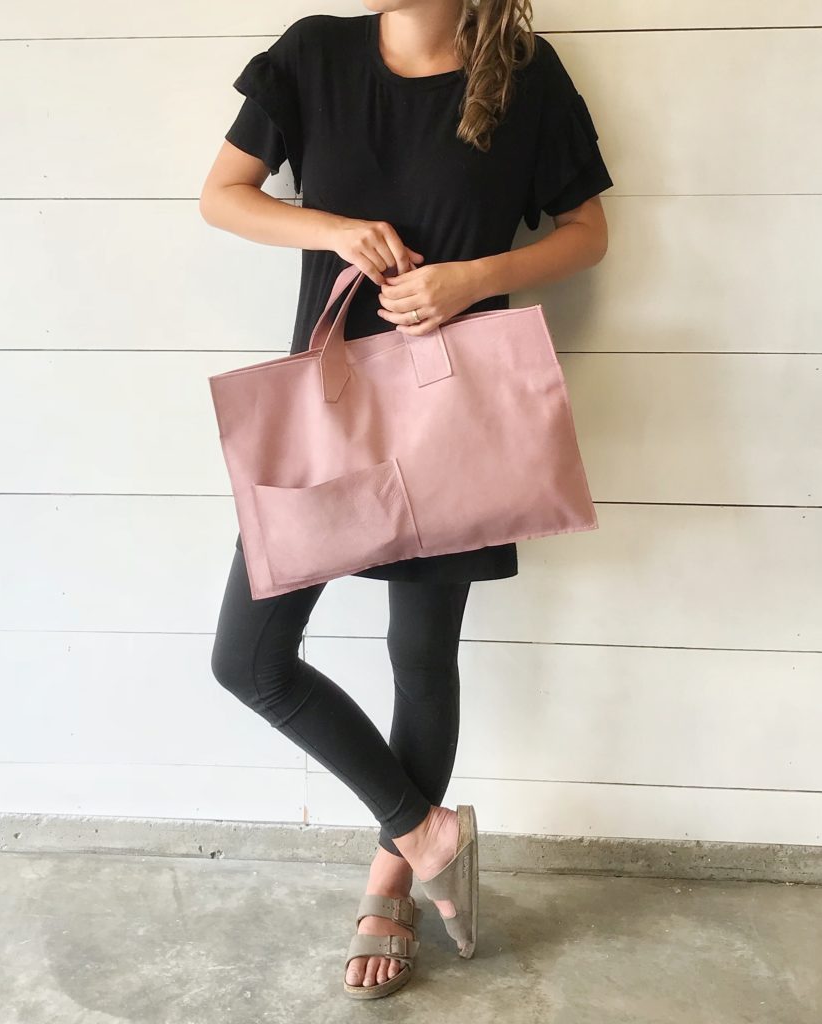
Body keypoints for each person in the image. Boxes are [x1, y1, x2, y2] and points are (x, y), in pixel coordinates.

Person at [199, 0, 612, 1000]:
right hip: (333, 407)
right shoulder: (315, 55)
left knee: (420, 655)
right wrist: (332, 230)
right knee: (247, 656)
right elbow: (224, 195)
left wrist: (476, 279)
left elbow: (586, 233)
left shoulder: (521, 71)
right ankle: (426, 830)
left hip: (454, 418)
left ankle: (392, 876)